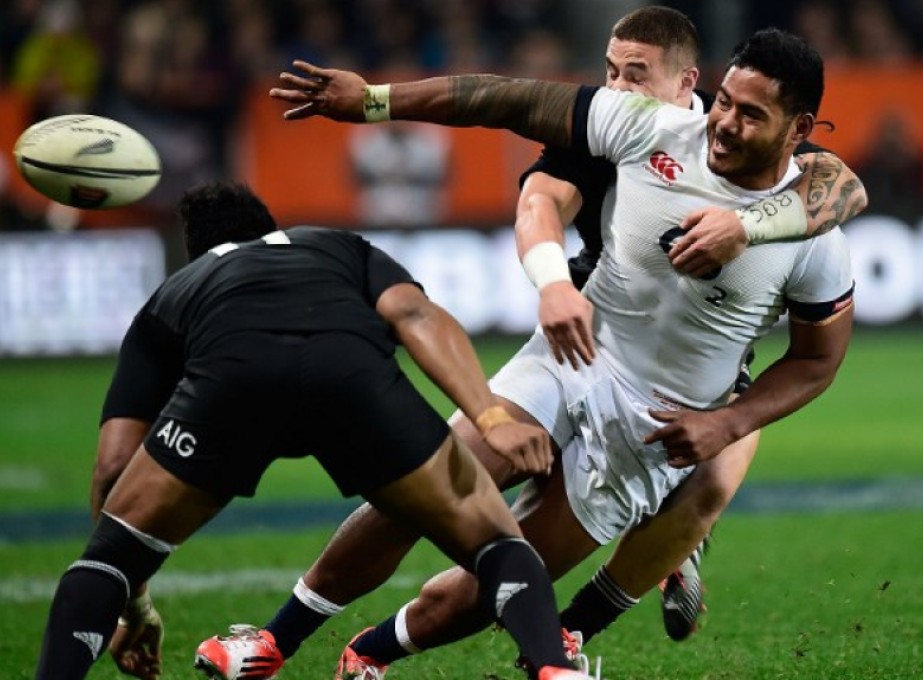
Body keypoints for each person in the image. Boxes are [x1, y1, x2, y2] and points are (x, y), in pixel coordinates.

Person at [193, 10, 868, 680]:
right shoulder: (646, 124)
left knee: (494, 585)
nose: (724, 123)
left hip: (654, 428)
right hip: (573, 356)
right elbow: (505, 98)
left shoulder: (816, 237)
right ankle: (272, 644)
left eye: (751, 115)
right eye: (724, 102)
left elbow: (818, 359)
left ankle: (372, 650)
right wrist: (374, 100)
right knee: (423, 484)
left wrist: (727, 420)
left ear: (799, 130)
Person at [33, 181, 596, 680]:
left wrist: (134, 604)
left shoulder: (174, 292)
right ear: (273, 230)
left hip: (231, 387)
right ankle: (554, 667)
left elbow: (112, 466)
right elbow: (415, 316)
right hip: (351, 376)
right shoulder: (334, 244)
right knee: (495, 542)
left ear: (197, 255)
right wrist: (490, 418)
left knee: (106, 559)